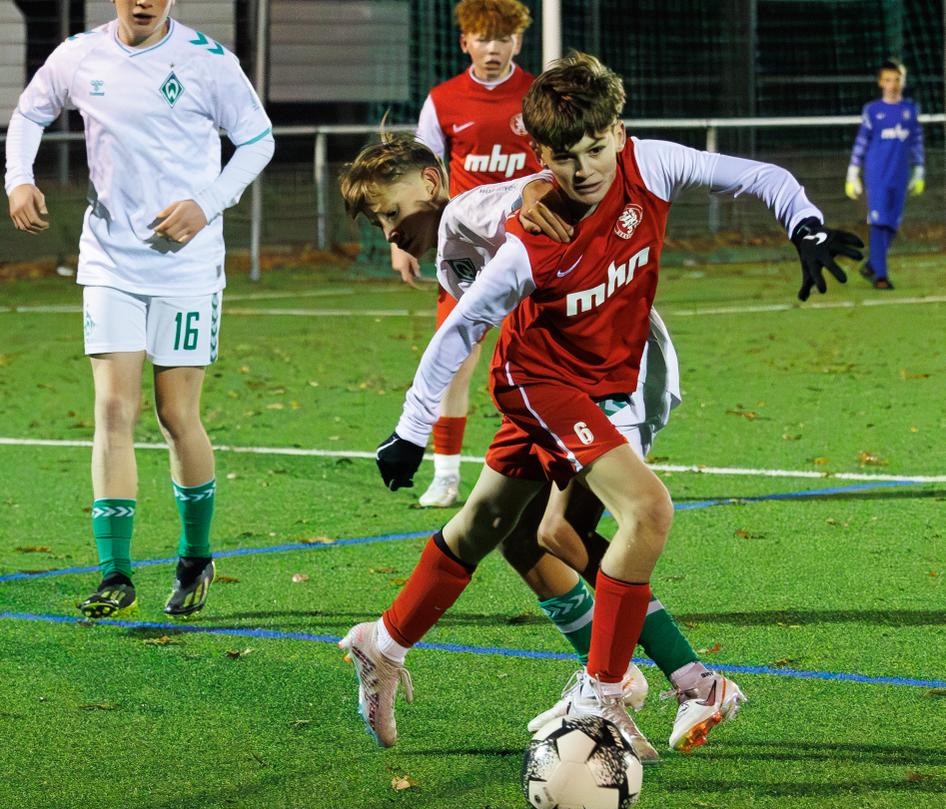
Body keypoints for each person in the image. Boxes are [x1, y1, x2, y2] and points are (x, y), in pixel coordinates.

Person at [339, 53, 862, 757]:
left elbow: (761, 176)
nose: (583, 170)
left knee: (519, 528)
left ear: (618, 131)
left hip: (612, 375)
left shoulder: (649, 166)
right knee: (643, 511)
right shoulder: (525, 237)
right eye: (563, 158)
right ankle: (612, 690)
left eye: (593, 149)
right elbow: (461, 324)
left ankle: (386, 641)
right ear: (541, 155)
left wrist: (806, 225)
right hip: (544, 379)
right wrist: (411, 429)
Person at [341, 134, 747, 760]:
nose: (389, 231)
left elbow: (526, 193)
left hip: (610, 368)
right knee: (502, 528)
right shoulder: (452, 254)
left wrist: (537, 190)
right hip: (550, 374)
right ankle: (386, 645)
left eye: (391, 212)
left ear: (430, 181)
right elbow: (479, 313)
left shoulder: (467, 209)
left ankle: (655, 682)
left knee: (565, 529)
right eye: (378, 223)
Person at [5, 0, 274, 618]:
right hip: (109, 264)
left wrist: (207, 202)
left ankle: (195, 557)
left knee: (176, 414)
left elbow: (258, 140)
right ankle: (115, 573)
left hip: (187, 268)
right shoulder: (80, 54)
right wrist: (19, 177)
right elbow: (29, 113)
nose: (144, 1)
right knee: (112, 409)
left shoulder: (208, 61)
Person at [394, 0, 541, 509]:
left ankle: (547, 467)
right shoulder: (443, 100)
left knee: (539, 361)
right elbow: (418, 173)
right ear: (465, 43)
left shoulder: (539, 96)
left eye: (502, 38)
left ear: (517, 42)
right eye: (483, 38)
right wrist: (403, 239)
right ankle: (446, 475)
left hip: (532, 247)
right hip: (467, 254)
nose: (492, 48)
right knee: (455, 359)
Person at [845, 58, 925, 290]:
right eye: (888, 80)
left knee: (892, 224)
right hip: (877, 174)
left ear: (903, 82)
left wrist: (919, 170)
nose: (893, 85)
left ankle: (872, 263)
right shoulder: (872, 110)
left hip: (900, 174)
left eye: (897, 80)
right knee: (879, 223)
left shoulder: (910, 110)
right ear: (881, 83)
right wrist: (853, 172)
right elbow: (862, 141)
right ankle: (881, 276)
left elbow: (916, 142)